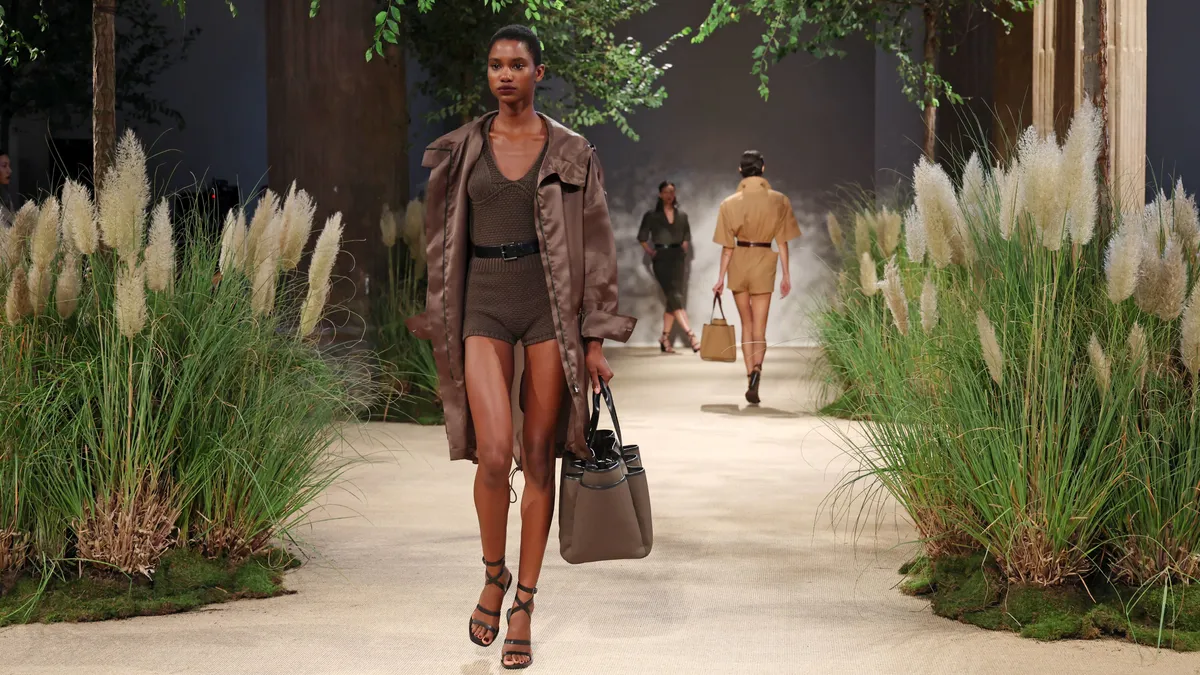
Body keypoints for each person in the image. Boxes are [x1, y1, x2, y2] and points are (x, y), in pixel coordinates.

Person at [404, 24, 635, 671]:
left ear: (539, 73)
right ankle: (492, 571)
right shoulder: (460, 150)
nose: (504, 75)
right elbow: (438, 242)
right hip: (481, 301)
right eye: (495, 65)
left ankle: (525, 603)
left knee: (537, 457)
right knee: (492, 450)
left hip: (547, 308)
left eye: (517, 65)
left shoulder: (570, 150)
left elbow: (597, 245)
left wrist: (594, 338)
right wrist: (439, 315)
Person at [711, 150, 801, 404]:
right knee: (760, 326)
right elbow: (782, 241)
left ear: (740, 171)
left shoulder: (728, 203)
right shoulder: (780, 201)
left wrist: (719, 278)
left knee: (746, 324)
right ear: (763, 169)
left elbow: (727, 247)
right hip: (764, 261)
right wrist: (786, 275)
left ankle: (749, 372)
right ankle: (758, 370)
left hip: (739, 260)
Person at [637, 181, 700, 353]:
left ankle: (664, 338)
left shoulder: (682, 215)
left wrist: (684, 246)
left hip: (678, 259)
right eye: (665, 192)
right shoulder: (651, 215)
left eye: (672, 191)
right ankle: (691, 335)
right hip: (661, 259)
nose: (669, 195)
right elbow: (642, 236)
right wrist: (650, 252)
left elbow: (687, 235)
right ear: (660, 194)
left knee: (673, 299)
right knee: (674, 296)